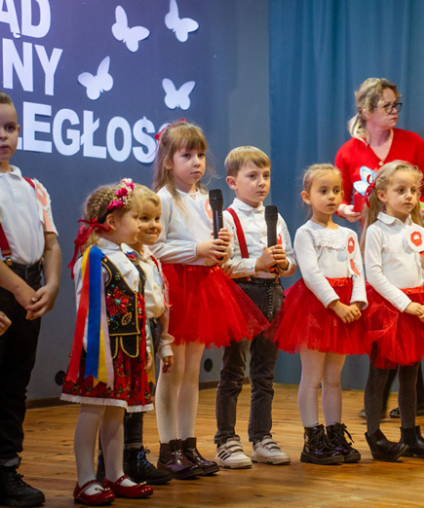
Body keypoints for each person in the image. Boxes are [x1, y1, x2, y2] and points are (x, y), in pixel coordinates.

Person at [150, 120, 268, 479]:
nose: (197, 162)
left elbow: (215, 247)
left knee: (191, 373)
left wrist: (220, 248)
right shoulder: (164, 198)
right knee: (171, 373)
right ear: (169, 161)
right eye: (187, 155)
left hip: (205, 286)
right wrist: (197, 249)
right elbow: (154, 246)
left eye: (200, 154)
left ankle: (188, 444)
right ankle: (167, 447)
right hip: (176, 288)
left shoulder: (207, 200)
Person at [336, 78, 424, 418]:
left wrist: (413, 216)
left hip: (411, 236)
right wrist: (344, 210)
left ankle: (413, 404)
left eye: (397, 105)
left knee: (411, 321)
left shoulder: (412, 143)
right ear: (366, 111)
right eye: (387, 106)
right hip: (374, 239)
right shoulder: (349, 151)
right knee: (388, 321)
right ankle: (381, 408)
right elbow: (335, 193)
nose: (394, 111)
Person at [61, 179, 154, 505]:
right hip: (101, 353)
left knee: (118, 413)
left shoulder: (130, 257)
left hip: (128, 351)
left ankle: (114, 473)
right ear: (113, 222)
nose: (143, 224)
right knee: (93, 413)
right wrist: (97, 353)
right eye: (136, 217)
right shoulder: (94, 258)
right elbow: (87, 308)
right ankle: (85, 478)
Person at [271, 164, 367, 465]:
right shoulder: (305, 233)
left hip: (345, 309)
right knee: (312, 378)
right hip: (317, 308)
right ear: (307, 196)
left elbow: (357, 271)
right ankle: (313, 438)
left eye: (336, 191)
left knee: (333, 378)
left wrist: (358, 302)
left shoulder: (348, 234)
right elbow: (311, 274)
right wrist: (336, 303)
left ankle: (335, 433)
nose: (331, 196)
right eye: (323, 191)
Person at [214, 147, 296, 468]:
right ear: (233, 182)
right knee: (233, 372)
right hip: (241, 296)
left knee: (264, 374)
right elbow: (224, 266)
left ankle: (261, 436)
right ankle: (226, 439)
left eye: (266, 176)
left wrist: (283, 262)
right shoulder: (227, 219)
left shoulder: (274, 216)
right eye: (253, 176)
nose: (262, 182)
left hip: (273, 295)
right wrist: (255, 263)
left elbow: (288, 261)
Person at [362, 161, 424, 462]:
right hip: (389, 310)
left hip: (417, 308)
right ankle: (374, 435)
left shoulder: (419, 230)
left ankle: (410, 434)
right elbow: (373, 275)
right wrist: (405, 304)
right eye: (401, 190)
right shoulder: (376, 231)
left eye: (414, 190)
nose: (410, 196)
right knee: (380, 374)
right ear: (383, 195)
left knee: (411, 375)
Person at [0, 91, 61, 508]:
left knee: (14, 385)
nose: (4, 136)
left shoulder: (33, 187)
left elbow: (51, 243)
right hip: (7, 289)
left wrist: (51, 284)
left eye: (10, 127)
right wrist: (16, 287)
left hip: (30, 291)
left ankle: (6, 468)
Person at [95, 185, 174, 486]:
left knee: (140, 398)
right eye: (143, 218)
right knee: (120, 401)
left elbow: (162, 304)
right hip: (125, 332)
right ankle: (110, 462)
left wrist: (164, 344)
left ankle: (134, 454)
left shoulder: (151, 259)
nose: (152, 225)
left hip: (149, 331)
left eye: (156, 219)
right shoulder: (120, 258)